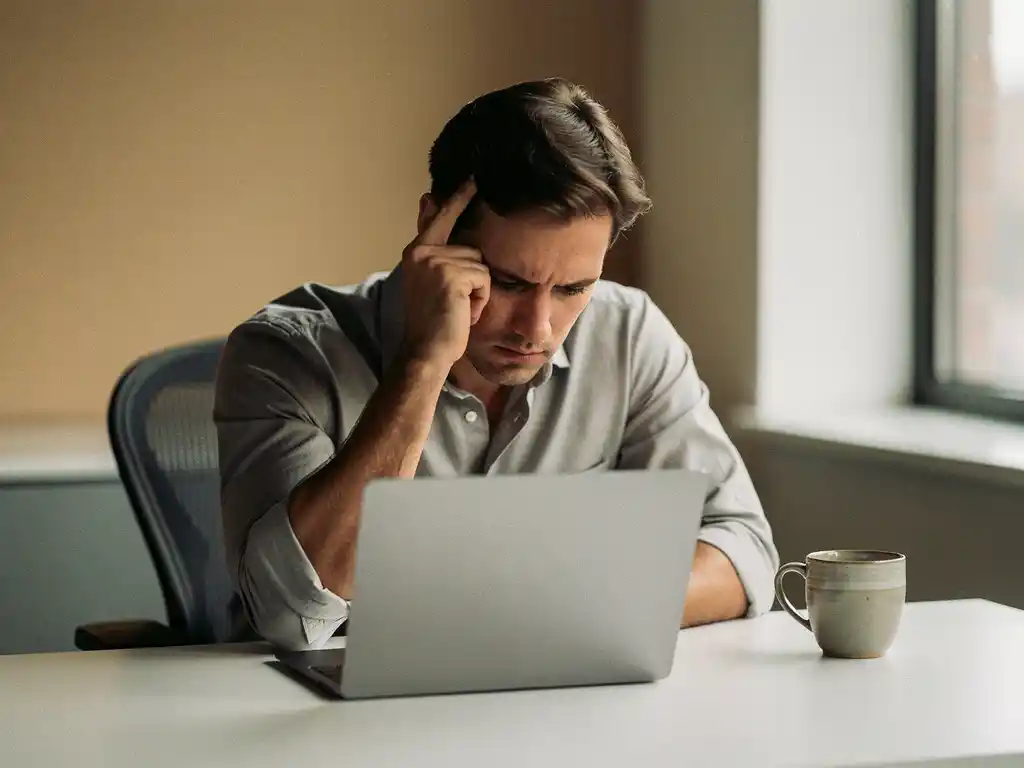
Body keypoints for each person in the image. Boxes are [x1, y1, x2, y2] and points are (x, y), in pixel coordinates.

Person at [214, 78, 779, 651]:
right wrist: (423, 362)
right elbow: (289, 615)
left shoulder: (628, 335)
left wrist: (553, 613)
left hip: (548, 702)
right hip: (320, 720)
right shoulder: (284, 353)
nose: (537, 331)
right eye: (510, 283)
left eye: (573, 288)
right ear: (433, 228)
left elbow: (742, 549)